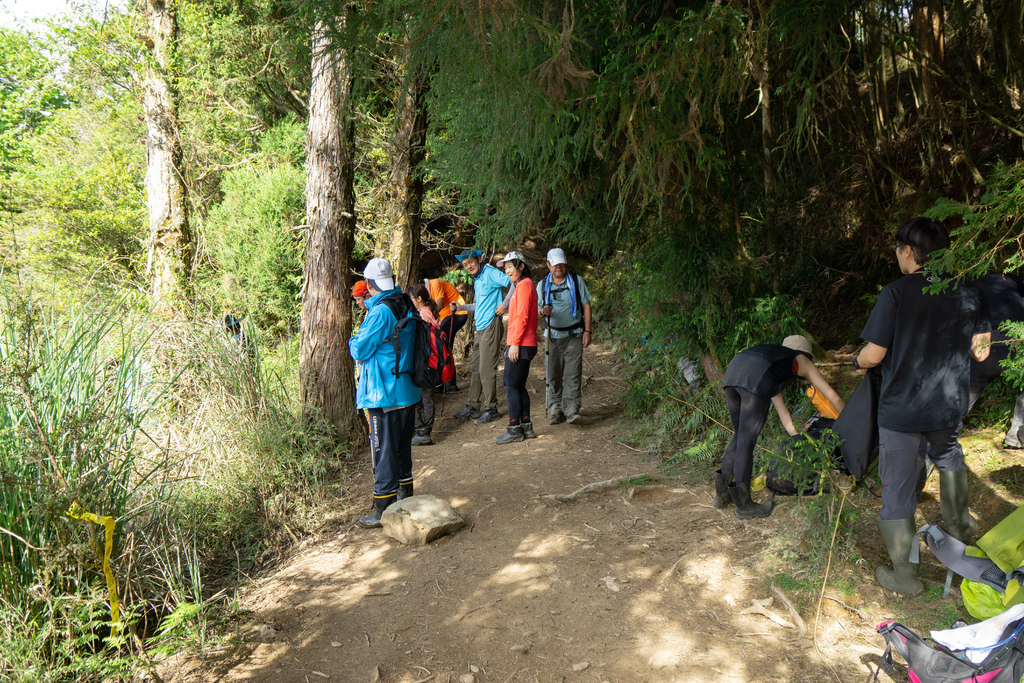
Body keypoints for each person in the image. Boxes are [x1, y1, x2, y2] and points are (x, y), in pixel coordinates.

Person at [854, 217, 990, 597]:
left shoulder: (895, 293)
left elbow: (874, 354)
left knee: (897, 485)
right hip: (947, 404)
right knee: (949, 458)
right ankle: (960, 530)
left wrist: (856, 362)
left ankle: (906, 576)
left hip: (901, 409)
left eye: (897, 250)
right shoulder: (970, 291)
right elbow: (980, 352)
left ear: (908, 251)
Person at [717, 335, 845, 519]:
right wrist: (849, 420)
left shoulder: (773, 364)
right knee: (746, 441)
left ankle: (721, 496)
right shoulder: (801, 361)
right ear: (806, 355)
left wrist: (797, 438)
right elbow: (834, 398)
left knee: (739, 436)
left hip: (734, 370)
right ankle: (744, 506)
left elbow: (783, 413)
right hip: (753, 375)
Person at [348, 258, 420, 528]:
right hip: (406, 390)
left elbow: (360, 349)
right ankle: (405, 497)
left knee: (383, 451)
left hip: (384, 393)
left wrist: (353, 339)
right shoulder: (403, 301)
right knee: (401, 449)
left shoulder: (380, 312)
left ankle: (383, 510)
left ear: (368, 284)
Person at [451, 249, 511, 425]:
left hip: (491, 325)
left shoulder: (491, 272)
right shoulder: (479, 279)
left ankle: (491, 408)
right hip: (480, 327)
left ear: (478, 259)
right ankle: (473, 405)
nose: (468, 266)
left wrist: (505, 305)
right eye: (465, 264)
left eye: (470, 261)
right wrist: (461, 307)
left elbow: (514, 283)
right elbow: (481, 304)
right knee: (476, 367)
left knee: (486, 368)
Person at [537, 248, 593, 425]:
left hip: (574, 334)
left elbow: (586, 306)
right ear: (548, 265)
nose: (558, 267)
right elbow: (537, 310)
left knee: (573, 373)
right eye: (554, 264)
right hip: (551, 336)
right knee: (552, 373)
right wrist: (542, 311)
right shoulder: (543, 284)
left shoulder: (576, 281)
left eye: (561, 263)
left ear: (565, 263)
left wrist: (588, 331)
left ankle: (571, 410)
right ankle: (555, 409)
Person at [493, 251, 539, 444]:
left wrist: (514, 344)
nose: (508, 271)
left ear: (521, 266)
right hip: (523, 342)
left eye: (511, 267)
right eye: (506, 268)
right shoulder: (521, 285)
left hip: (522, 343)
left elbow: (521, 317)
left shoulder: (524, 286)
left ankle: (514, 429)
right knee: (518, 386)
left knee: (510, 385)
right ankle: (526, 426)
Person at [407, 283, 442, 446]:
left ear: (419, 299)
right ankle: (425, 430)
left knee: (417, 396)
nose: (411, 301)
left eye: (412, 298)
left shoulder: (422, 314)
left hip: (424, 362)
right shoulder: (431, 311)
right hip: (432, 362)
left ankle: (422, 430)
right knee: (426, 395)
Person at [425, 276, 469, 392]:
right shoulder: (429, 290)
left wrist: (430, 318)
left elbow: (439, 303)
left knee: (443, 346)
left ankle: (448, 383)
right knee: (443, 346)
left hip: (457, 313)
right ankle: (446, 382)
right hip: (447, 316)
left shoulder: (434, 283)